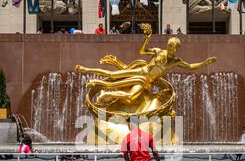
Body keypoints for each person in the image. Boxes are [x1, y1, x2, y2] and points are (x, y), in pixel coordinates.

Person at [75, 23, 216, 107]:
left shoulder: (175, 61)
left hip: (146, 81)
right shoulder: (158, 51)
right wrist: (146, 39)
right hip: (140, 71)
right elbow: (142, 51)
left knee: (130, 97)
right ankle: (85, 69)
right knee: (112, 75)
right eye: (169, 46)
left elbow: (191, 67)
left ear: (176, 48)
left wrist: (205, 63)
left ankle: (107, 94)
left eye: (173, 47)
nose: (170, 49)